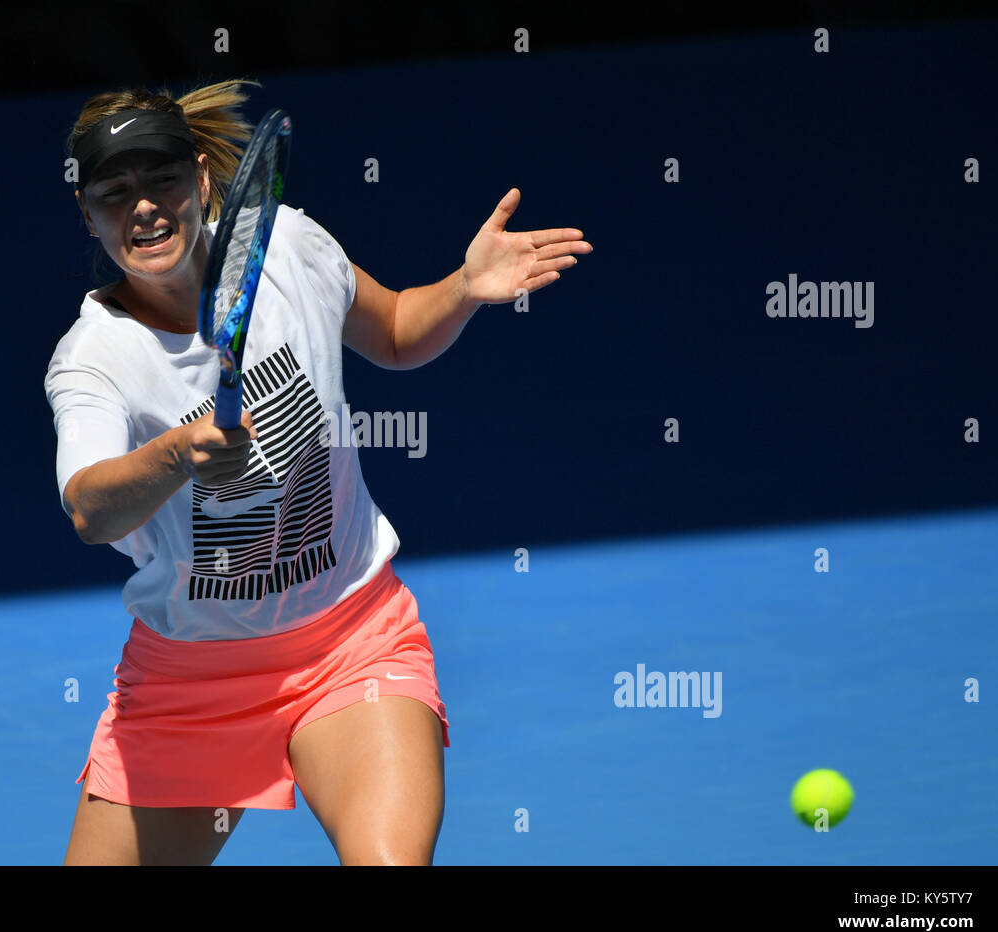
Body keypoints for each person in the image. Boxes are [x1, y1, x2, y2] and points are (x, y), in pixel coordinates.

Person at [45, 78, 591, 865]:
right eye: (114, 193)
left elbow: (398, 331)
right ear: (87, 213)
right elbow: (91, 512)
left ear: (202, 179)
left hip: (350, 641)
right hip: (187, 684)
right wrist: (177, 453)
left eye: (161, 179)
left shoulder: (288, 246)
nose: (144, 207)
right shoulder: (92, 360)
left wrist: (465, 288)